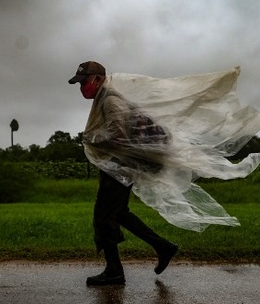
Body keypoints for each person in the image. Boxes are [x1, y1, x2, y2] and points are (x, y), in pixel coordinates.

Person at [68, 61, 179, 286]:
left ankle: (114, 272)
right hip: (121, 166)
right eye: (79, 84)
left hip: (119, 168)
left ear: (98, 79)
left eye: (84, 82)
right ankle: (163, 247)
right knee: (119, 213)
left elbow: (117, 135)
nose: (82, 88)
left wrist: (91, 139)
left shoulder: (110, 100)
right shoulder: (106, 98)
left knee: (104, 216)